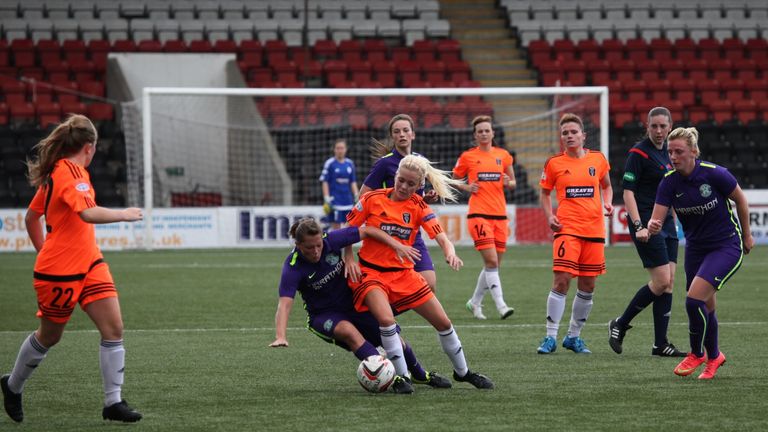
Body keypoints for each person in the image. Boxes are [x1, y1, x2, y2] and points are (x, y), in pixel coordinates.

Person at [1, 115, 143, 423]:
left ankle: (112, 403)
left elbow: (31, 218)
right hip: (60, 271)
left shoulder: (59, 173)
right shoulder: (70, 173)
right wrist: (125, 214)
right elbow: (88, 213)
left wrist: (45, 250)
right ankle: (12, 385)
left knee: (114, 329)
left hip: (89, 262)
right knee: (50, 336)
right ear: (89, 147)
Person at [347, 154, 495, 393]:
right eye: (401, 180)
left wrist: (450, 252)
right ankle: (401, 377)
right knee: (386, 321)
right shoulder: (371, 199)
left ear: (419, 186)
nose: (404, 187)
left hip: (405, 275)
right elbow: (349, 229)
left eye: (411, 184)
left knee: (444, 323)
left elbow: (440, 235)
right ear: (394, 177)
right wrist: (348, 258)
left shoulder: (418, 205)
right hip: (372, 273)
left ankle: (463, 372)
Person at [268, 217, 451, 389]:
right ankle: (391, 378)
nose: (316, 251)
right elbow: (284, 305)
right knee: (350, 333)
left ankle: (420, 374)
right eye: (309, 248)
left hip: (354, 304)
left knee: (394, 340)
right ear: (298, 244)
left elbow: (369, 230)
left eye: (318, 245)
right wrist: (280, 335)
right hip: (324, 315)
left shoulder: (331, 240)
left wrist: (392, 245)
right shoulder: (293, 267)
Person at [648, 127, 753, 379]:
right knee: (706, 306)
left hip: (726, 245)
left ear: (694, 151)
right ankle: (715, 356)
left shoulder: (716, 174)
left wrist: (747, 234)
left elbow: (741, 200)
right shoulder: (669, 182)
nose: (673, 156)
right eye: (670, 151)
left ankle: (697, 353)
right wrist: (652, 225)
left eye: (679, 151)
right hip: (695, 249)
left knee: (693, 301)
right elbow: (657, 218)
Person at [608, 107, 686, 357]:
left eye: (664, 126)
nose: (659, 131)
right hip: (646, 224)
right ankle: (620, 323)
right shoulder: (638, 153)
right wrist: (638, 225)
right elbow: (628, 192)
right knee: (662, 280)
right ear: (647, 126)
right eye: (655, 126)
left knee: (669, 283)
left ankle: (660, 344)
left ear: (671, 126)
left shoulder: (670, 152)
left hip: (667, 223)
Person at [536, 113, 613, 355]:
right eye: (565, 133)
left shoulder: (598, 159)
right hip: (567, 229)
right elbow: (545, 193)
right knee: (562, 279)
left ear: (583, 135)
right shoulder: (554, 163)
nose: (569, 136)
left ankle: (573, 337)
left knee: (588, 285)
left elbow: (607, 185)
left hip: (594, 230)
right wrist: (550, 216)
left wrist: (608, 203)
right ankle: (550, 337)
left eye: (573, 132)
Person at [358, 114, 439, 291]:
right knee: (386, 284)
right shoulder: (384, 164)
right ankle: (381, 316)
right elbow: (363, 196)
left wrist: (425, 199)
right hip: (390, 231)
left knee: (429, 284)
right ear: (392, 136)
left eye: (405, 130)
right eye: (397, 131)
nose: (401, 134)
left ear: (413, 134)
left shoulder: (420, 161)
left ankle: (386, 314)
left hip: (412, 231)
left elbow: (414, 198)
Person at [453, 115, 516, 320]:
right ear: (475, 135)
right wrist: (466, 187)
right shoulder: (468, 157)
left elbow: (512, 182)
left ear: (492, 133)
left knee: (494, 264)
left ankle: (475, 302)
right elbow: (452, 181)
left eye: (486, 130)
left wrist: (508, 182)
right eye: (479, 131)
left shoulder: (504, 155)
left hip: (500, 215)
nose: (483, 133)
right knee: (490, 260)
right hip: (478, 214)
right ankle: (501, 305)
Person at [320, 139, 359, 230]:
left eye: (342, 148)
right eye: (338, 148)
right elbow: (325, 181)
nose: (340, 150)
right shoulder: (330, 163)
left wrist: (357, 195)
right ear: (334, 150)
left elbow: (352, 181)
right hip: (335, 202)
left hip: (348, 202)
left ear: (346, 149)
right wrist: (326, 198)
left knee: (349, 229)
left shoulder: (350, 163)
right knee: (336, 230)